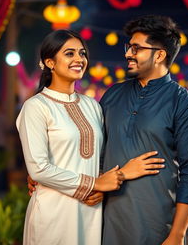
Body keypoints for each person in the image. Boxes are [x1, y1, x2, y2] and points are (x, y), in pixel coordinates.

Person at [17, 29, 165, 245]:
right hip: (54, 210)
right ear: (50, 62)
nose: (79, 59)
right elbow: (39, 168)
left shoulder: (92, 106)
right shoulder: (36, 107)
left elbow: (100, 155)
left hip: (90, 210)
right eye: (69, 54)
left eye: (82, 53)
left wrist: (102, 185)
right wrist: (95, 183)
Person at [100, 15, 188, 245]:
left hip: (156, 224)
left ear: (159, 55)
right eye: (129, 47)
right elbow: (91, 149)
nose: (128, 53)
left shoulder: (184, 104)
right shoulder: (112, 95)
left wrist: (177, 235)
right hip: (106, 220)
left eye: (136, 48)